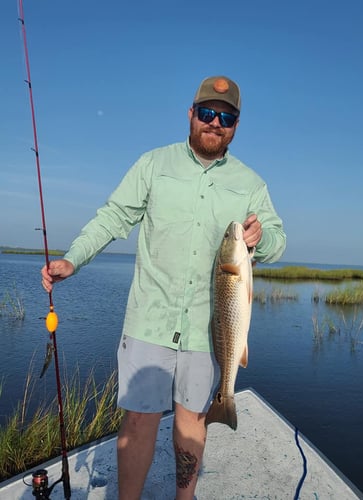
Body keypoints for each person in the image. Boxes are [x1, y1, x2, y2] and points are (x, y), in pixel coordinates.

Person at [41, 75, 286, 500]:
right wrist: (72, 258)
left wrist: (261, 238)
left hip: (210, 331)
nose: (215, 123)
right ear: (191, 115)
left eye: (225, 117)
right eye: (207, 113)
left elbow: (279, 241)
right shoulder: (153, 164)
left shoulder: (251, 184)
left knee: (192, 422)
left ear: (236, 125)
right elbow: (112, 217)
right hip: (149, 322)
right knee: (137, 423)